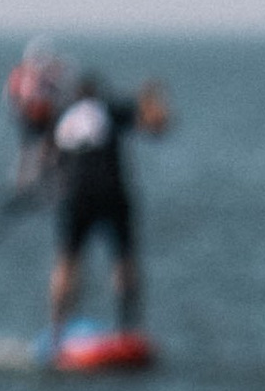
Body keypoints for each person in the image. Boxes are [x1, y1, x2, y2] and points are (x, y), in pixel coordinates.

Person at [42, 71, 172, 342]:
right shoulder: (109, 109)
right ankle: (128, 328)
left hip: (76, 195)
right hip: (112, 192)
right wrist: (151, 97)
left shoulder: (62, 117)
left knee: (68, 259)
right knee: (124, 259)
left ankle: (57, 331)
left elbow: (48, 161)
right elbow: (155, 125)